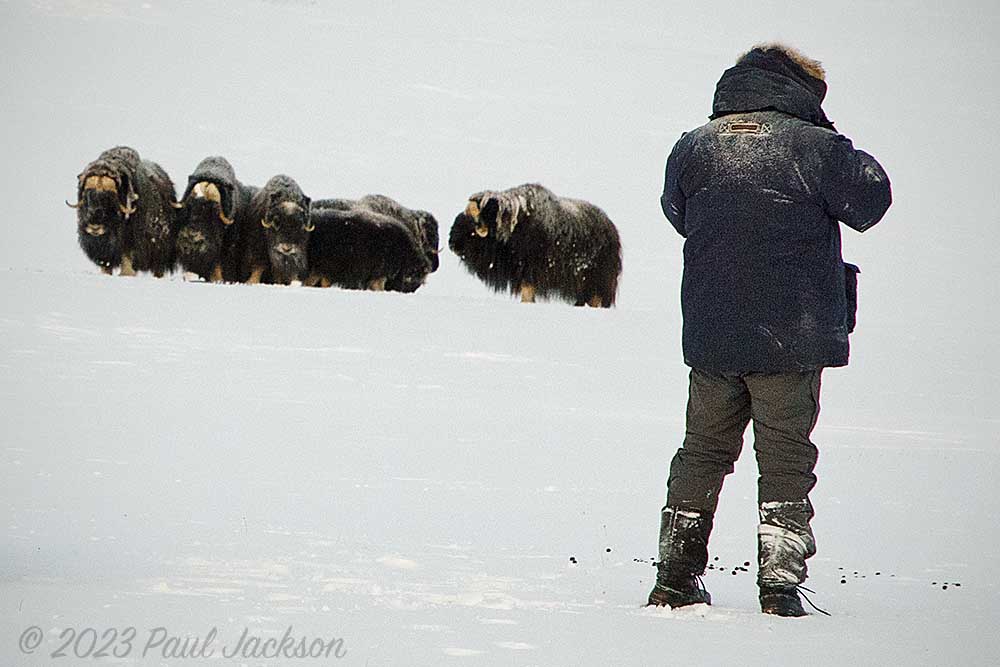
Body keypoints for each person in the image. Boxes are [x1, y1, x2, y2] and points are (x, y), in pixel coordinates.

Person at [647, 43, 891, 616]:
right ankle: (780, 587)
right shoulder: (817, 148)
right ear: (801, 90)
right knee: (784, 456)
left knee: (703, 450)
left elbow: (678, 215)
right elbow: (871, 201)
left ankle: (675, 578)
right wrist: (828, 135)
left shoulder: (694, 147)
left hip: (713, 332)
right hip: (793, 329)